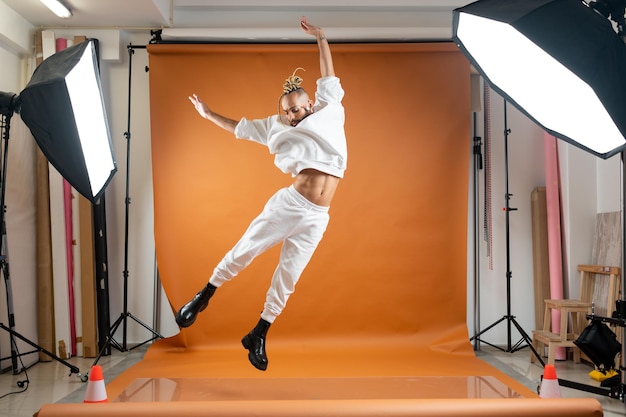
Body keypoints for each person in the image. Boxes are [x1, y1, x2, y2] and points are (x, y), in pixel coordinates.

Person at [176, 16, 347, 371]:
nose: (291, 116)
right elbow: (237, 127)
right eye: (286, 112)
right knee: (247, 249)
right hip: (291, 204)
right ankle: (204, 295)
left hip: (319, 217)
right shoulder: (275, 126)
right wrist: (208, 115)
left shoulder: (331, 110)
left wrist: (321, 37)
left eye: (296, 109)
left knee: (289, 276)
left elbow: (328, 73)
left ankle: (259, 332)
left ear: (310, 104)